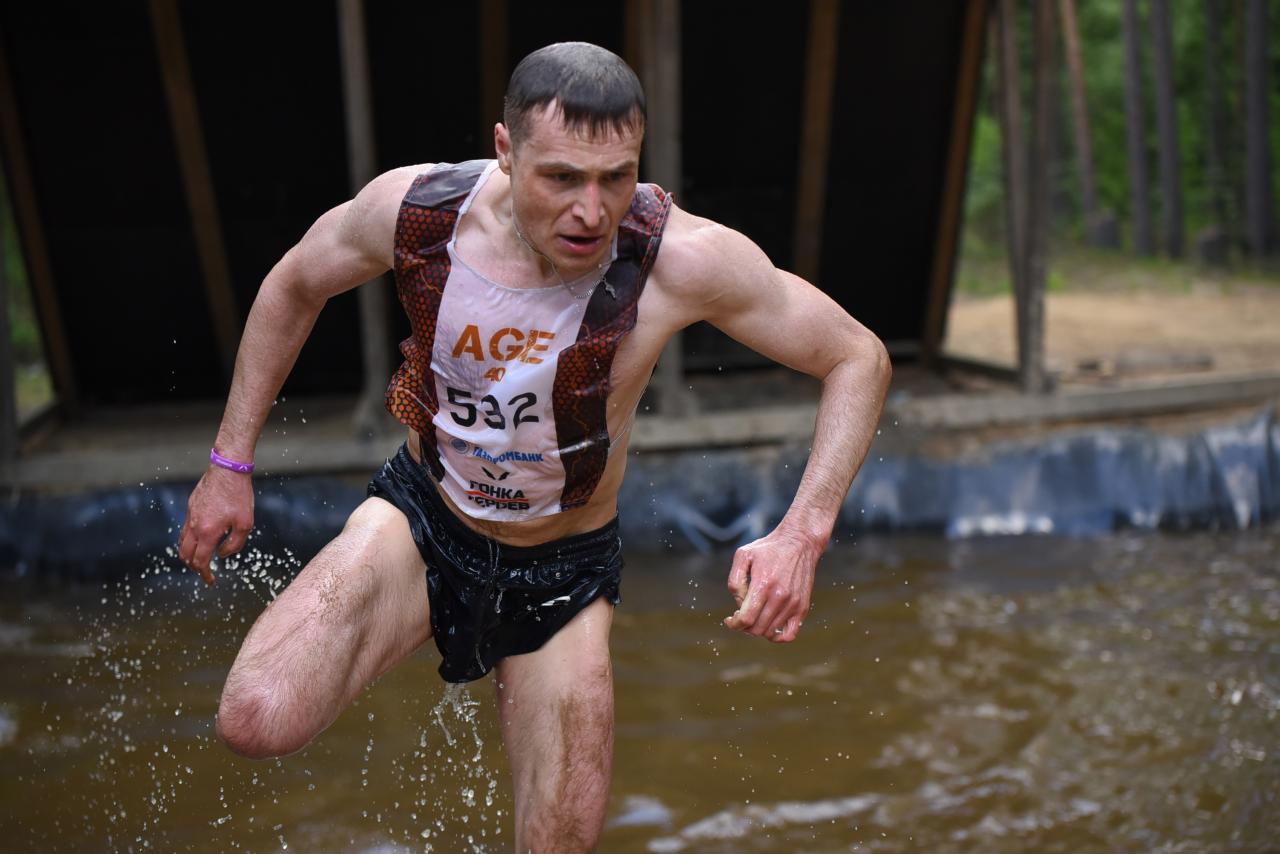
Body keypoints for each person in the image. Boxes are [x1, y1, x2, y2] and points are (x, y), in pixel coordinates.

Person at [179, 41, 890, 851]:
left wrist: (802, 532)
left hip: (563, 567)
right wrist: (229, 463)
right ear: (506, 151)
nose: (592, 210)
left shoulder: (676, 259)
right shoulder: (418, 214)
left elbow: (856, 356)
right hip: (422, 521)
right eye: (562, 178)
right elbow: (293, 284)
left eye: (616, 177)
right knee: (255, 715)